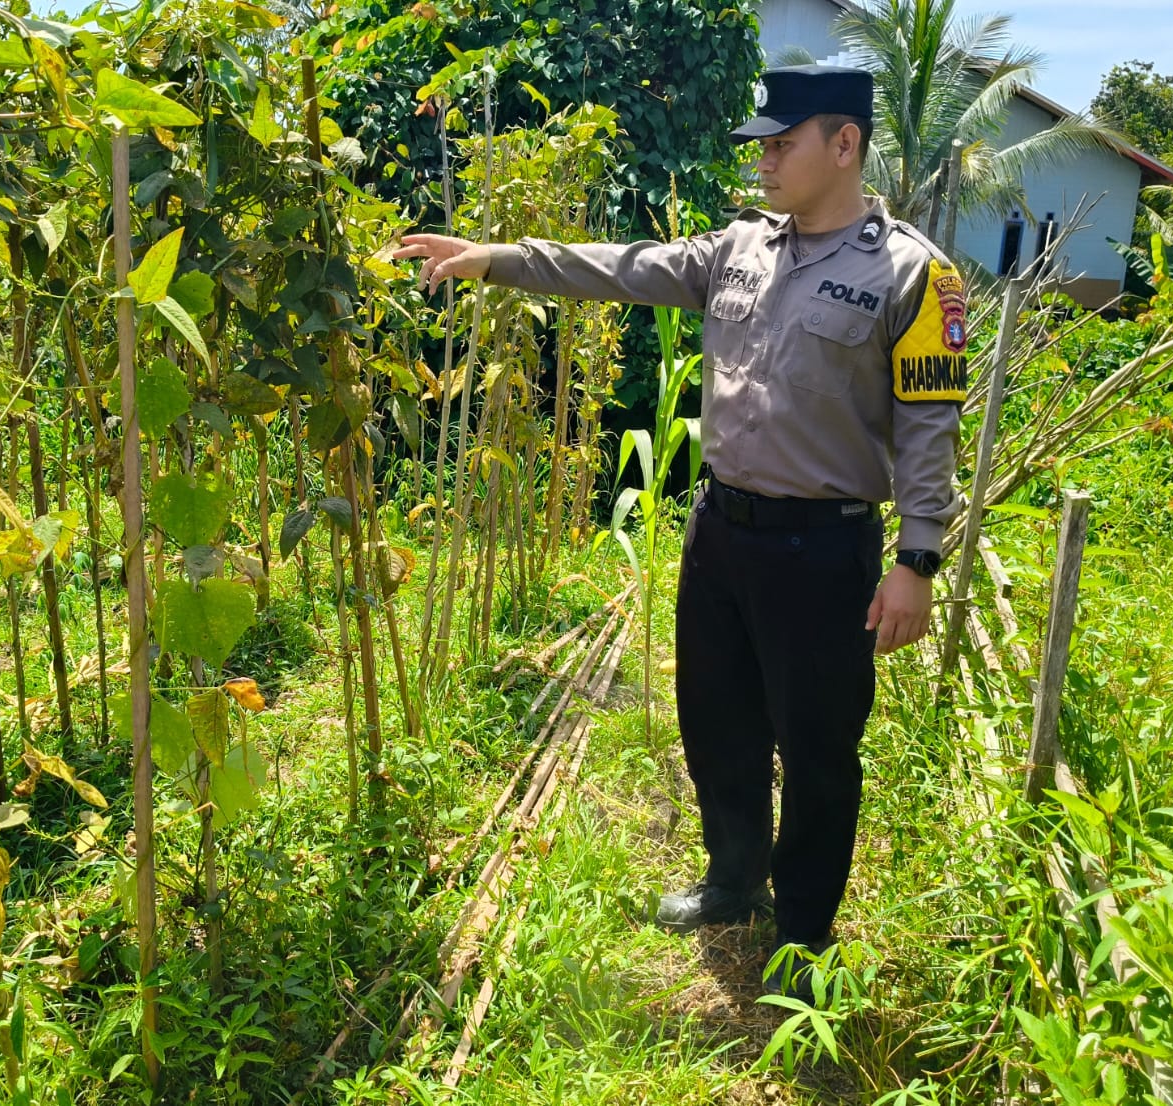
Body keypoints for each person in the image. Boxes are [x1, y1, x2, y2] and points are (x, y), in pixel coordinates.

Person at [393, 65, 966, 999]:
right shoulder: (738, 249)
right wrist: (495, 255)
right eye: (764, 145)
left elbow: (930, 428)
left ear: (845, 144)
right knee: (717, 724)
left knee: (818, 750)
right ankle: (732, 880)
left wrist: (918, 559)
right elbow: (618, 267)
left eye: (784, 143)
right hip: (721, 534)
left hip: (822, 552)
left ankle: (804, 936)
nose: (766, 160)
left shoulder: (910, 274)